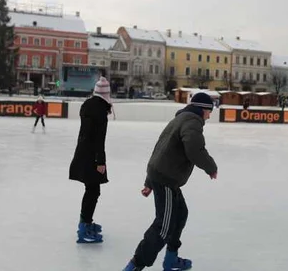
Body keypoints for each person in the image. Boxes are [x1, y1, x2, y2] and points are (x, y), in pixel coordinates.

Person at [122, 92, 218, 271]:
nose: (210, 115)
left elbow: (160, 149)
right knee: (164, 226)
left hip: (164, 177)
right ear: (202, 109)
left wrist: (149, 182)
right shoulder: (192, 122)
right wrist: (210, 167)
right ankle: (135, 265)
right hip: (166, 178)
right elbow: (194, 148)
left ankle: (171, 259)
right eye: (209, 111)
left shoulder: (180, 119)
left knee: (181, 213)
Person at [69, 77, 113, 244]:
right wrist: (100, 161)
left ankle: (85, 222)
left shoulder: (87, 105)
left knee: (91, 190)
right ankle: (84, 227)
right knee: (93, 191)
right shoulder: (101, 111)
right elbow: (99, 139)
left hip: (82, 153)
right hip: (92, 156)